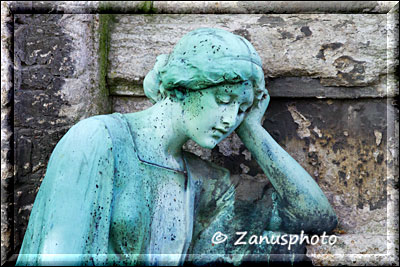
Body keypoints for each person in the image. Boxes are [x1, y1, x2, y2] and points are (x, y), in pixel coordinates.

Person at [16, 28, 337, 266]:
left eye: (241, 109)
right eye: (223, 100)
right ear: (184, 86)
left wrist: (252, 131)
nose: (230, 119)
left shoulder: (205, 182)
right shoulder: (98, 140)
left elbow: (315, 218)